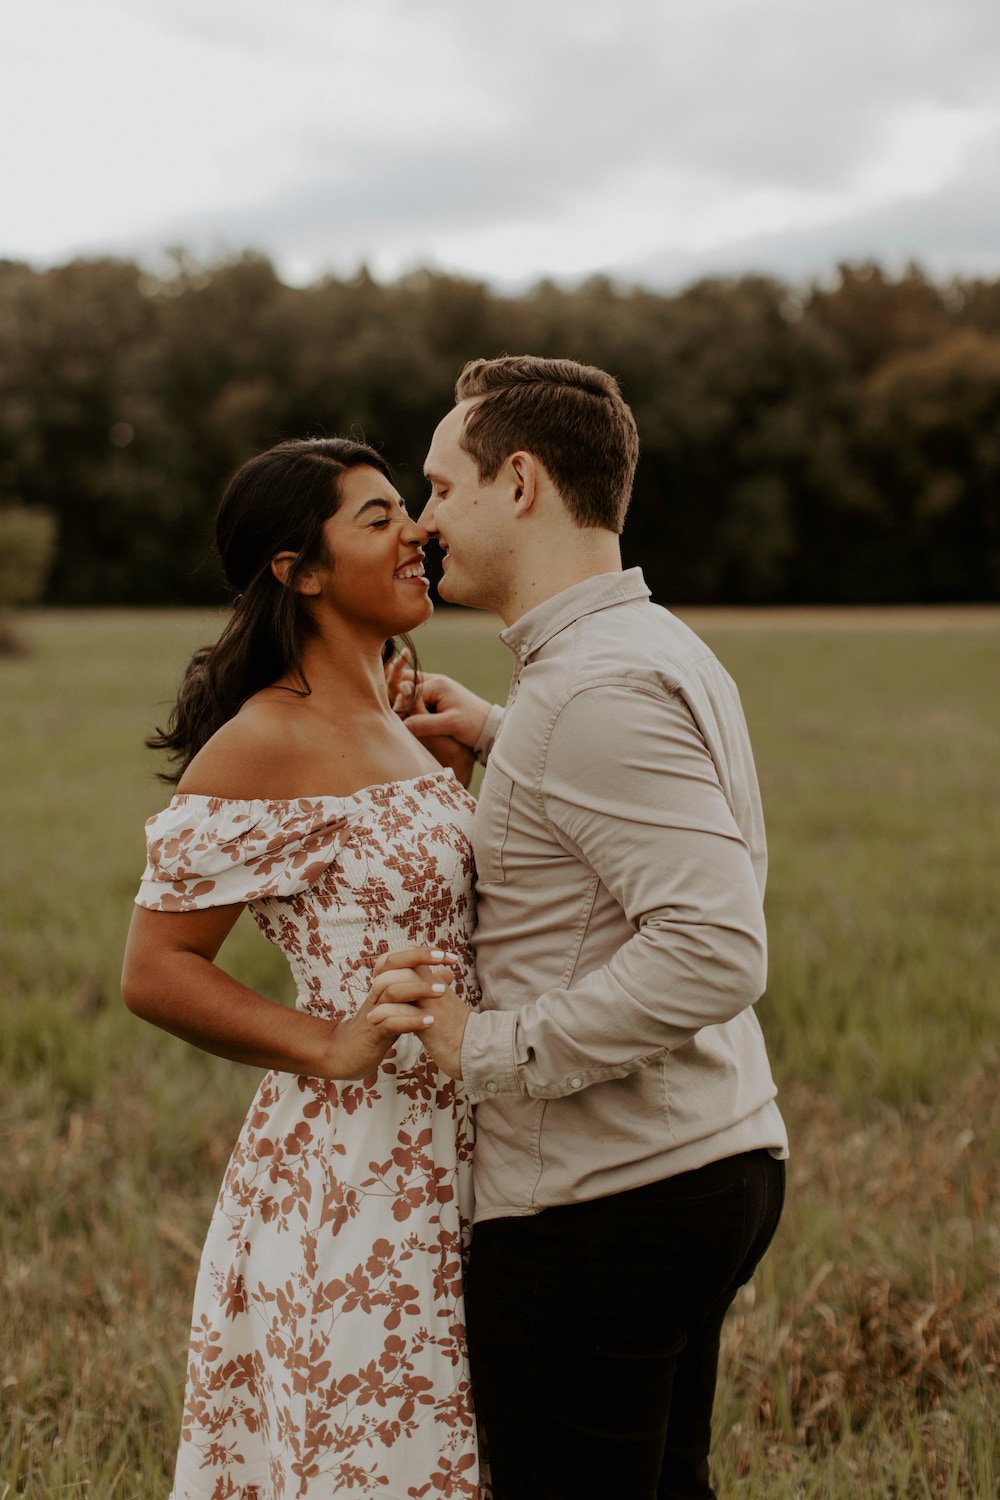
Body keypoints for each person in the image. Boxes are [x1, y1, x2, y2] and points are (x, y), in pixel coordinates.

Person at [376, 357, 789, 1500]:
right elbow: (622, 822)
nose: (422, 521)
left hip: (607, 1197)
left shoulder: (593, 693)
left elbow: (714, 946)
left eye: (440, 486)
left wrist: (486, 1050)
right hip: (694, 1157)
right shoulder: (644, 650)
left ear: (520, 482)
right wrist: (501, 735)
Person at [121, 438, 485, 1500]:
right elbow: (158, 968)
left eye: (404, 510)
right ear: (300, 570)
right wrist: (329, 1042)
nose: (416, 530)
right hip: (357, 1170)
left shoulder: (400, 707)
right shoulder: (264, 739)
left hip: (470, 1140)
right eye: (378, 519)